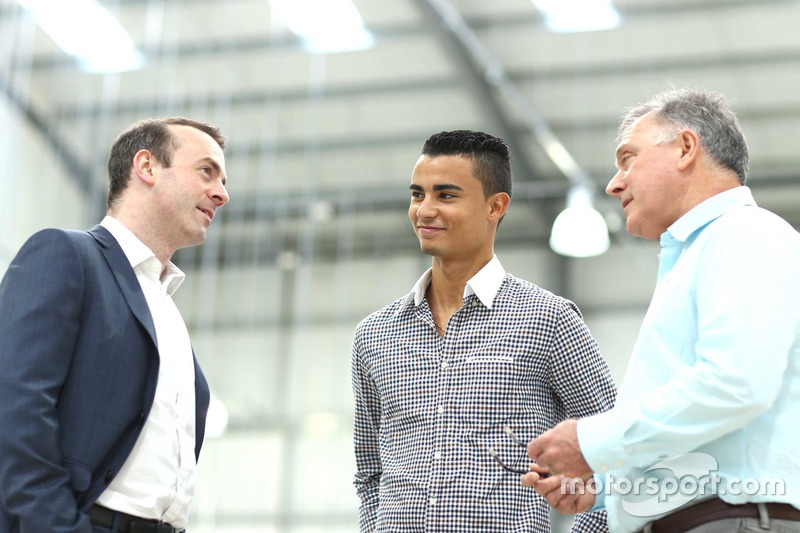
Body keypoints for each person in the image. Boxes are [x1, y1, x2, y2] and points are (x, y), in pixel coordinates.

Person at [523, 88, 800, 533]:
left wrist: (592, 441)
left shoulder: (745, 234)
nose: (614, 183)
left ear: (686, 149)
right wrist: (606, 488)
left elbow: (737, 383)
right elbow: (709, 452)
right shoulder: (703, 255)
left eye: (627, 158)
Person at [350, 129, 616, 532]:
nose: (424, 210)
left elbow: (613, 451)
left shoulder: (549, 319)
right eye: (418, 194)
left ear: (496, 206)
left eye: (446, 195)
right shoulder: (374, 335)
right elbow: (370, 473)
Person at [0, 117, 230, 533]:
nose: (222, 193)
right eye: (206, 171)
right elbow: (14, 409)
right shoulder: (66, 255)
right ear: (146, 167)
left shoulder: (167, 308)